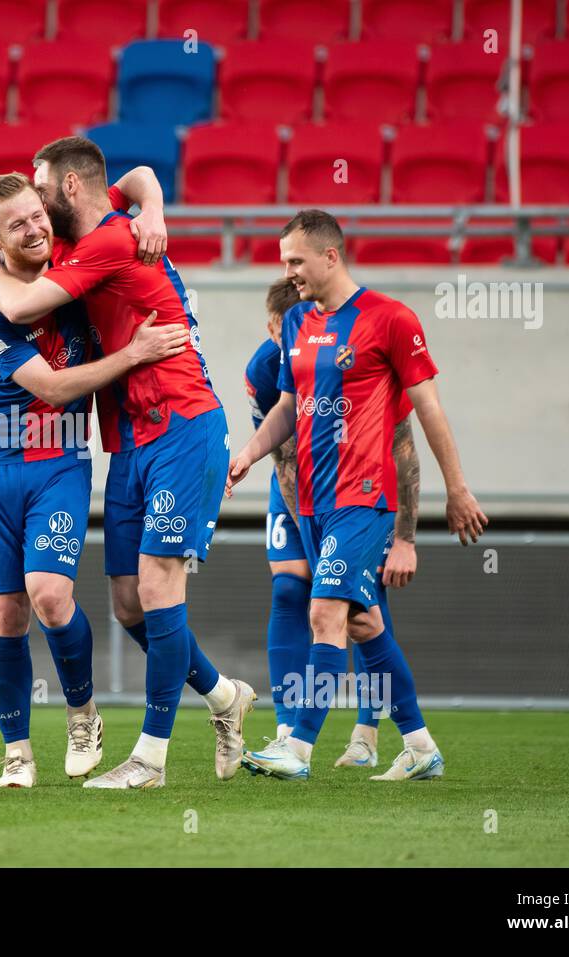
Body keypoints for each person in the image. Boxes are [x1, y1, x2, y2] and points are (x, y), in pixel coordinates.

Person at [0, 136, 253, 789]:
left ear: (69, 187)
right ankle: (223, 699)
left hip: (181, 426)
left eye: (42, 190)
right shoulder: (99, 231)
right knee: (129, 605)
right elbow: (135, 172)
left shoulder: (107, 242)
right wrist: (154, 199)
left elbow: (15, 305)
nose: (37, 207)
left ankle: (150, 759)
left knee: (157, 588)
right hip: (128, 441)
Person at [229, 209, 488, 782]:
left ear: (331, 256)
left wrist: (457, 490)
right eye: (284, 262)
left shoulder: (391, 319)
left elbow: (428, 411)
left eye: (296, 260)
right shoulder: (296, 321)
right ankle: (421, 747)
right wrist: (249, 452)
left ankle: (296, 747)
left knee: (323, 613)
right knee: (364, 624)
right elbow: (289, 409)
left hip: (366, 498)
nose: (289, 271)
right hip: (313, 504)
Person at [0, 171, 186, 787]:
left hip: (59, 460)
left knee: (50, 595)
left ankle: (83, 713)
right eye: (16, 226)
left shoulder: (76, 259)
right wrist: (134, 354)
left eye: (37, 213)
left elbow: (136, 177)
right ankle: (16, 754)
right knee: (5, 613)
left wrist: (156, 211)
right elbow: (55, 386)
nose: (35, 228)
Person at [244, 277, 422, 768]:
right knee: (308, 598)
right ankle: (289, 728)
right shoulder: (264, 368)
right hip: (300, 490)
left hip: (361, 490)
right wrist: (307, 525)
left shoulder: (358, 344)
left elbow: (403, 443)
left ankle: (360, 731)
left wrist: (406, 535)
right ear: (274, 329)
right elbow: (282, 455)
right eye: (285, 335)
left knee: (349, 608)